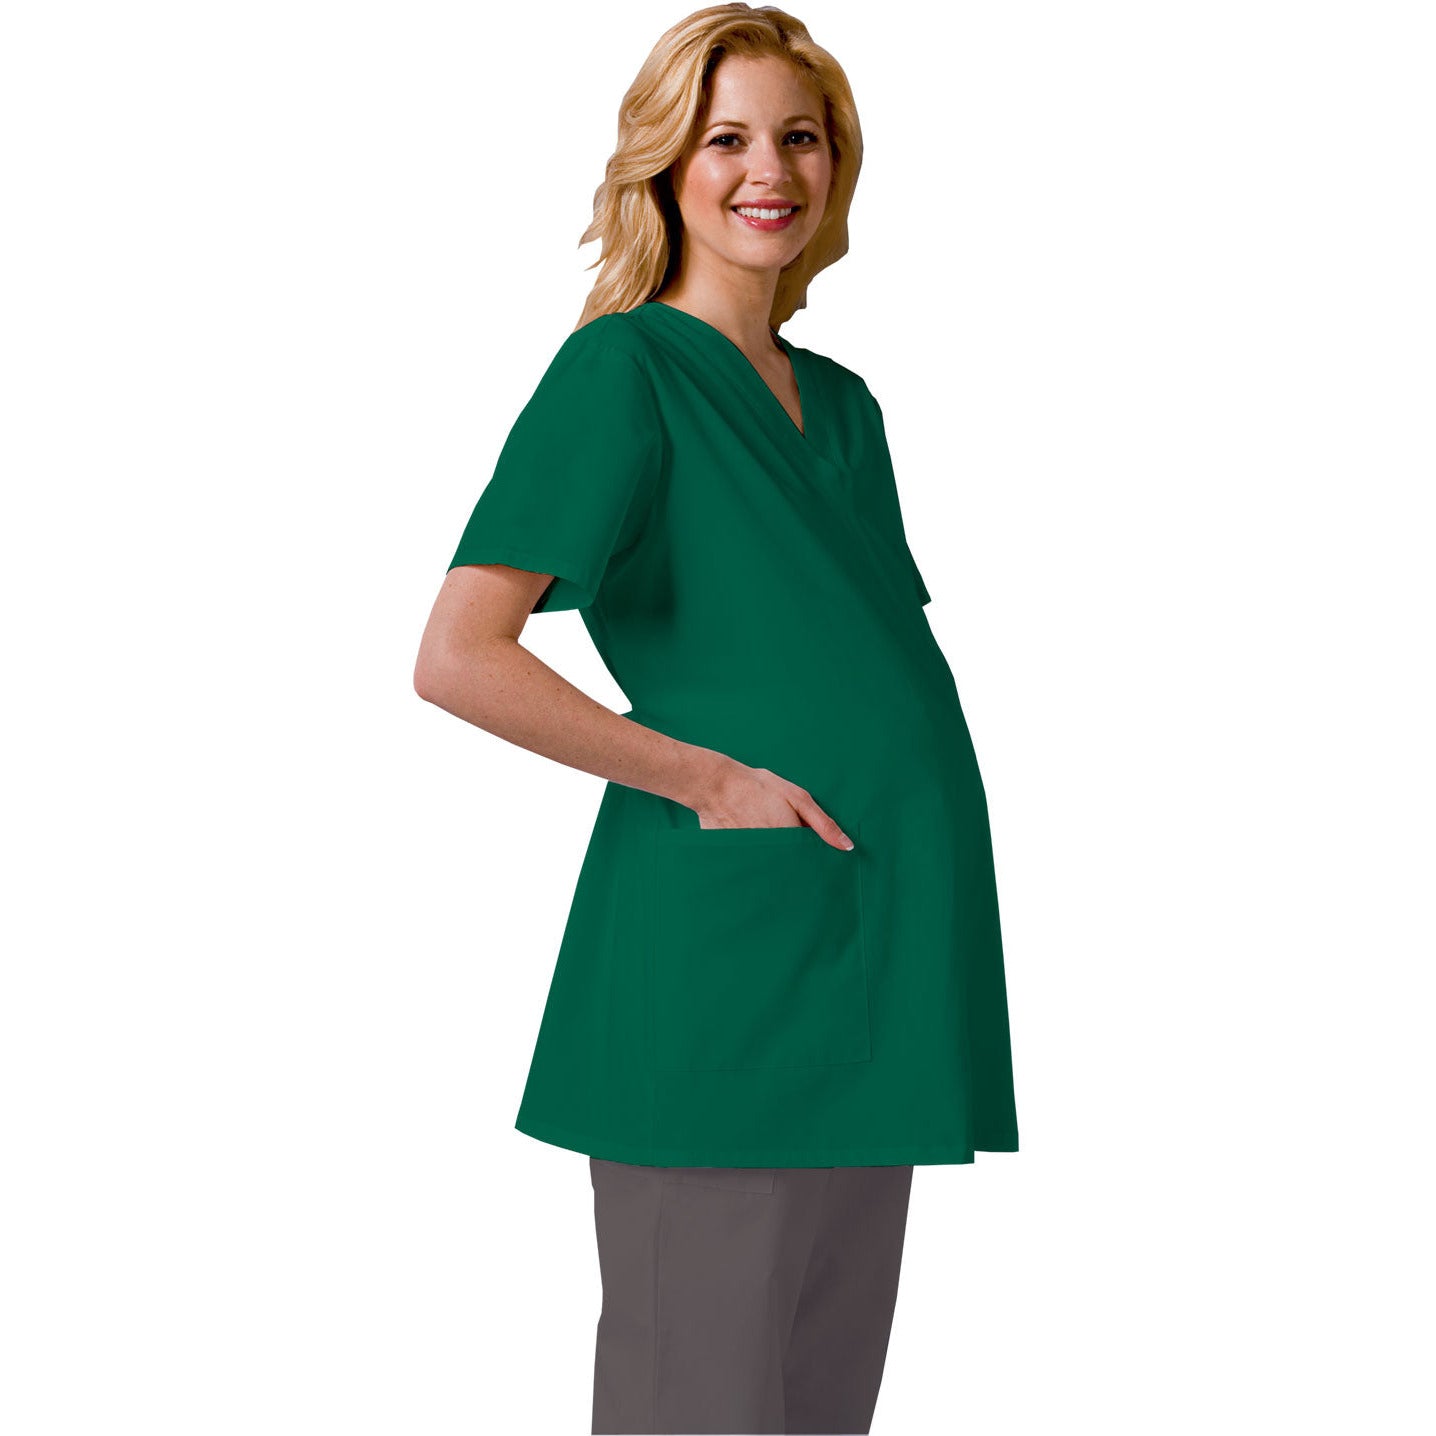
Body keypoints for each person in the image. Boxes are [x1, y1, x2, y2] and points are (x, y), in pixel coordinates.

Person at [414, 6, 1019, 1432]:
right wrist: (704, 780)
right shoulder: (622, 372)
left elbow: (853, 654)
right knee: (699, 1396)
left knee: (821, 1399)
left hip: (878, 943)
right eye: (727, 137)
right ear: (665, 163)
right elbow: (459, 655)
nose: (770, 170)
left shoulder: (846, 407)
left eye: (799, 138)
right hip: (725, 958)